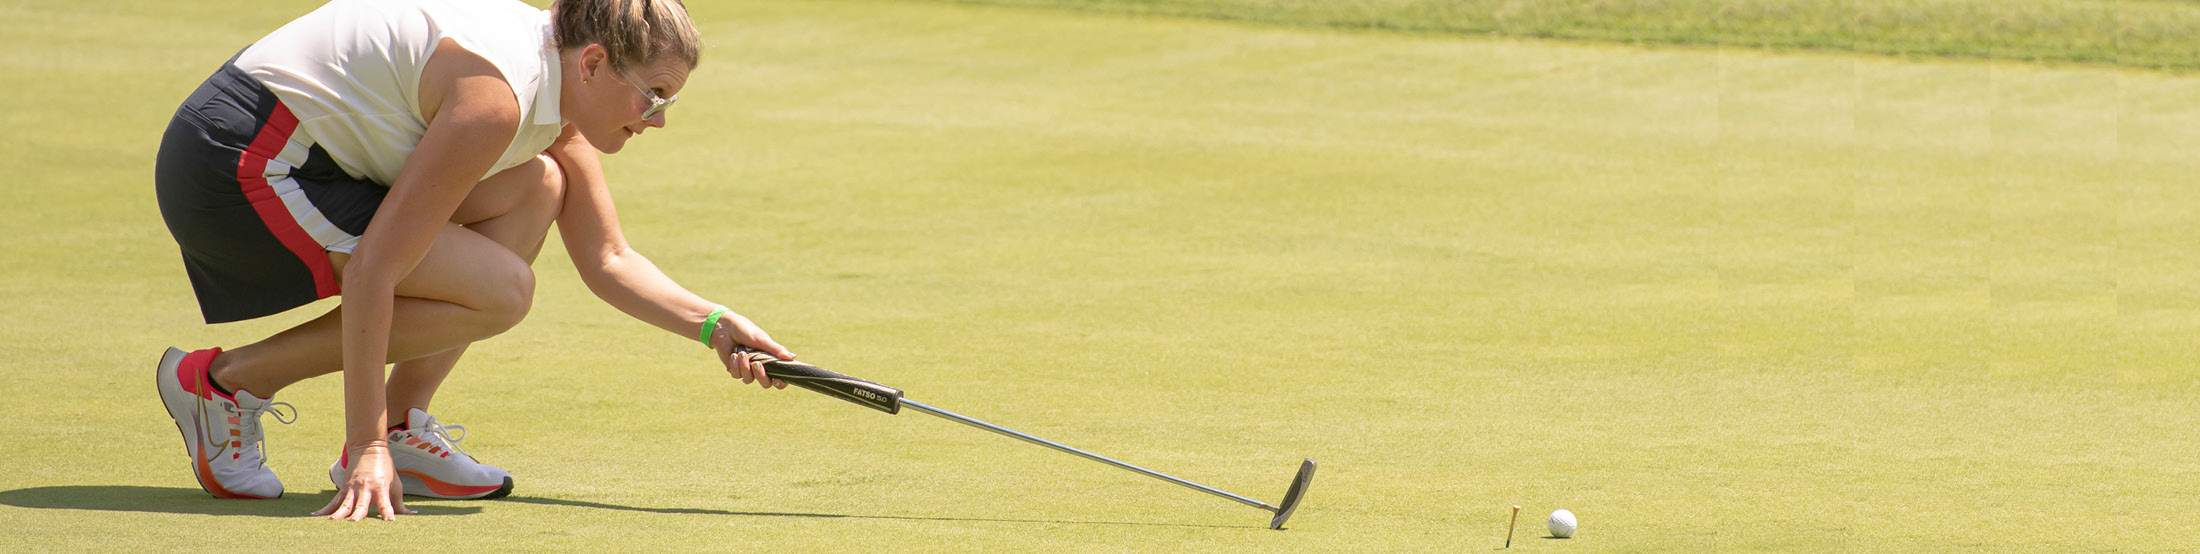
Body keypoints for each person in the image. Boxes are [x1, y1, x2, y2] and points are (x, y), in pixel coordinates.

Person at [152, 0, 791, 522]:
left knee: (538, 185)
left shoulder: (558, 77)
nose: (658, 121)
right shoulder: (495, 101)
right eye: (654, 97)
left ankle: (403, 428)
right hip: (235, 165)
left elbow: (609, 257)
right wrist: (363, 447)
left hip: (311, 162)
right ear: (595, 63)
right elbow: (377, 267)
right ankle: (224, 384)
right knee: (502, 291)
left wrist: (715, 324)